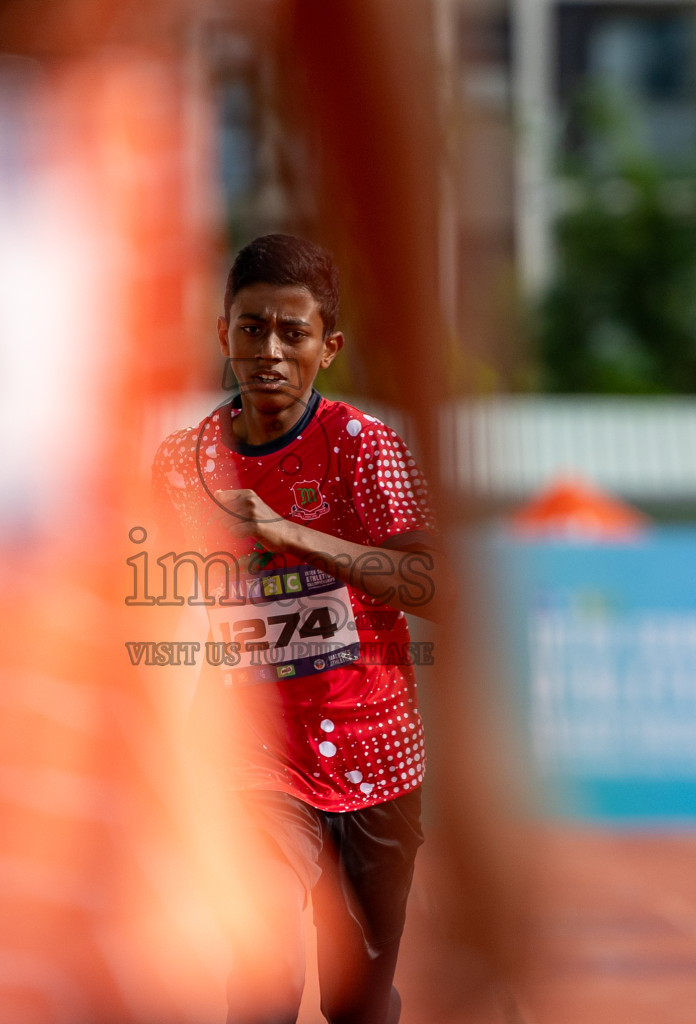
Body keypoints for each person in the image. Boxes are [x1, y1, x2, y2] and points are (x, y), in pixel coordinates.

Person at [151, 233, 451, 1024]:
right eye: (252, 329)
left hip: (375, 762)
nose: (270, 352)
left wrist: (297, 537)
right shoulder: (184, 464)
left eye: (293, 333)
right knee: (264, 979)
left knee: (357, 1004)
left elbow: (435, 588)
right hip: (253, 763)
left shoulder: (363, 448)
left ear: (329, 347)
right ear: (223, 334)